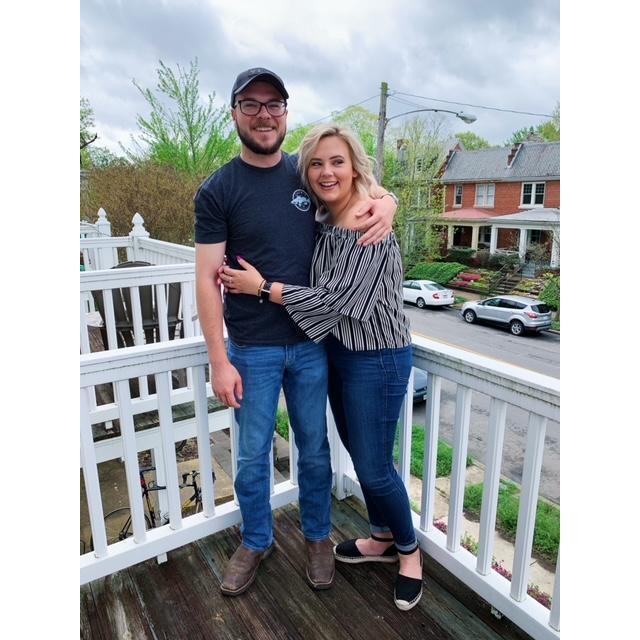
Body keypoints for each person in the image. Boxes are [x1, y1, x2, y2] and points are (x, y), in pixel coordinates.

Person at [194, 68, 397, 597]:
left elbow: (355, 185)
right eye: (251, 104)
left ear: (285, 112)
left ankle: (317, 537)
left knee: (314, 449)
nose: (264, 115)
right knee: (251, 455)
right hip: (252, 349)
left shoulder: (305, 175)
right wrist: (219, 360)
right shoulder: (217, 190)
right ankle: (256, 540)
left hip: (312, 345)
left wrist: (388, 201)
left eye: (274, 104)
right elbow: (206, 279)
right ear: (235, 112)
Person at [220, 123, 424, 611]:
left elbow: (337, 302)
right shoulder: (323, 215)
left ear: (355, 166)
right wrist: (388, 197)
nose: (327, 171)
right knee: (358, 453)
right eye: (316, 163)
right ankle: (380, 537)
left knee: (375, 468)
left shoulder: (369, 224)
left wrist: (262, 288)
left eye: (337, 162)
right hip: (338, 353)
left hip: (378, 356)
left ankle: (409, 553)